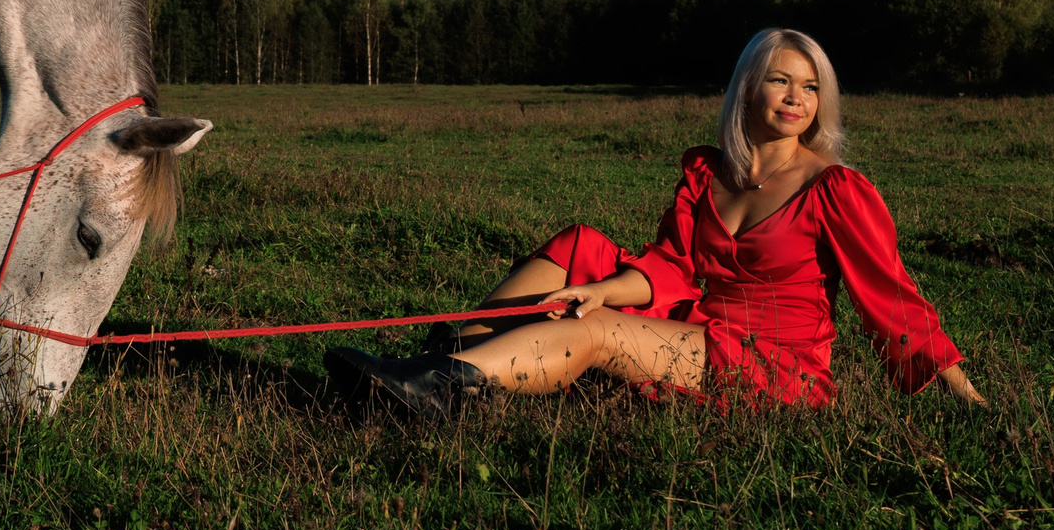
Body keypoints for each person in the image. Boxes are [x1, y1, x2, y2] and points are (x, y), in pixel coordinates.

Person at [328, 27, 986, 415]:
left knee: (600, 329)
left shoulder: (835, 188)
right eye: (781, 80)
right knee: (578, 247)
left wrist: (969, 399)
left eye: (809, 86)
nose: (796, 97)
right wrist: (601, 286)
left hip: (773, 366)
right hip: (700, 325)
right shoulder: (709, 174)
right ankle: (436, 362)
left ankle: (447, 390)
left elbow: (894, 301)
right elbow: (671, 265)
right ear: (748, 86)